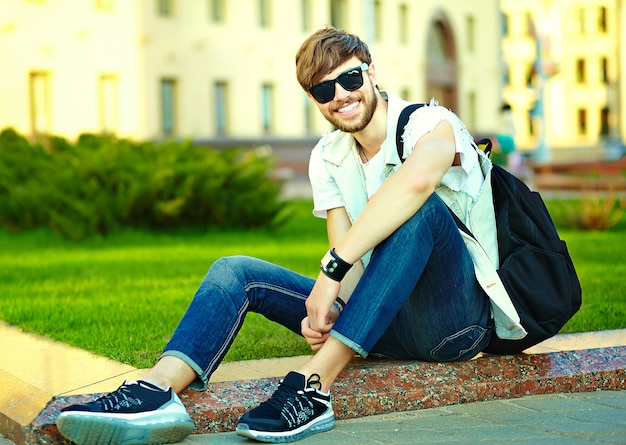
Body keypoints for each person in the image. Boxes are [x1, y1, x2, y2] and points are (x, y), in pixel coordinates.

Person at [56, 27, 525, 445]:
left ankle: (314, 388)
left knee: (420, 212)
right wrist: (332, 307)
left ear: (372, 73)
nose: (341, 95)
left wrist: (330, 272)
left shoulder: (430, 123)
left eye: (350, 79)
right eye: (324, 89)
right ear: (314, 100)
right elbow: (350, 258)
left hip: (456, 326)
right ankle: (157, 390)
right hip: (384, 325)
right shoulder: (328, 156)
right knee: (235, 271)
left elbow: (418, 181)